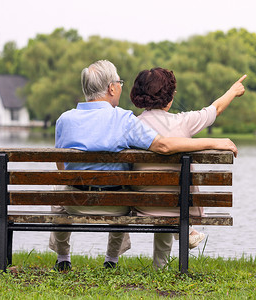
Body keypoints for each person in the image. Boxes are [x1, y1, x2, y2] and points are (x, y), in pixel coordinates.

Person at [49, 60, 239, 271]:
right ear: (111, 88)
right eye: (119, 82)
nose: (120, 86)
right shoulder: (123, 119)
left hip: (75, 202)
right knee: (127, 188)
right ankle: (111, 260)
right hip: (117, 206)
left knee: (59, 187)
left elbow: (61, 165)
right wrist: (213, 142)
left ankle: (63, 257)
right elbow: (164, 145)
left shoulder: (64, 120)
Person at [130, 67, 246, 269]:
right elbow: (216, 109)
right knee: (172, 192)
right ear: (169, 97)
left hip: (143, 207)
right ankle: (166, 259)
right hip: (181, 208)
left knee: (155, 190)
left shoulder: (131, 125)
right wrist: (233, 91)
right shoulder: (184, 122)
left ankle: (158, 265)